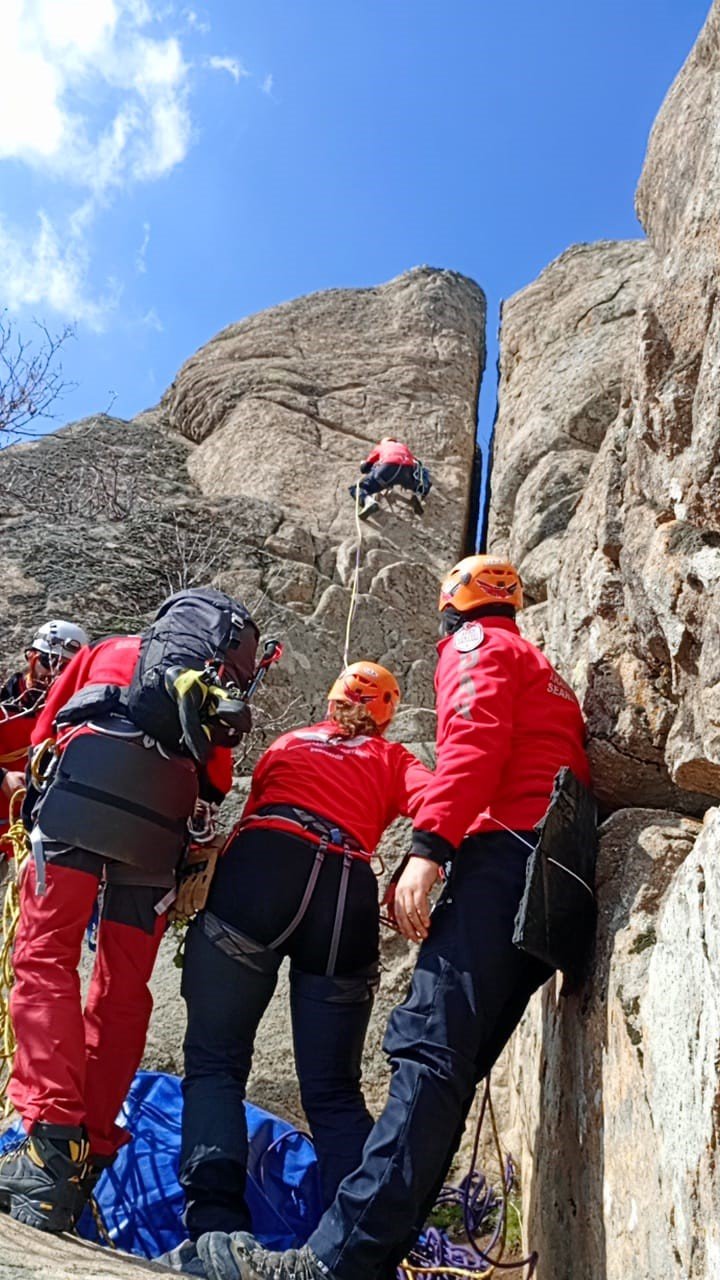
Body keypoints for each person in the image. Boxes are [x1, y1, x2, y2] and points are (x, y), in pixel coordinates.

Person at [196, 555, 592, 1280]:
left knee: (428, 1050)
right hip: (551, 867)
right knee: (443, 1069)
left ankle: (332, 1261)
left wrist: (431, 848)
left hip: (500, 855)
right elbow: (448, 774)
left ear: (452, 603)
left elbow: (472, 744)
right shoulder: (536, 664)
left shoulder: (475, 648)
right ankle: (366, 1256)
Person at [0, 590, 259, 1235]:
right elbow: (218, 779)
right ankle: (83, 1151)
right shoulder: (205, 687)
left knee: (46, 959)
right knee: (122, 987)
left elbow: (42, 733)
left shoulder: (107, 652)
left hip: (78, 807)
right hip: (158, 835)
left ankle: (48, 1140)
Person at [172, 662, 432, 1263]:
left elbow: (252, 804)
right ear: (386, 714)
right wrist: (422, 860)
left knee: (215, 1062)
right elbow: (437, 801)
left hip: (264, 863)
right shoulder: (392, 760)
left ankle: (214, 1228)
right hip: (344, 888)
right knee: (335, 1092)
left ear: (332, 701)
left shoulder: (288, 745)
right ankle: (358, 1251)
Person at [0, 621, 89, 860]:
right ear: (31, 658)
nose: (53, 674)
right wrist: (3, 778)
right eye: (48, 662)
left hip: (34, 837)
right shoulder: (4, 705)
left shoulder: (73, 715)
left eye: (65, 668)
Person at [349, 438, 432, 520]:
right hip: (407, 471)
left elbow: (364, 468)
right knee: (417, 482)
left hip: (387, 469)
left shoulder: (381, 446)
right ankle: (418, 494)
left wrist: (363, 464)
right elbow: (418, 464)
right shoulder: (403, 447)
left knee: (356, 488)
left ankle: (368, 501)